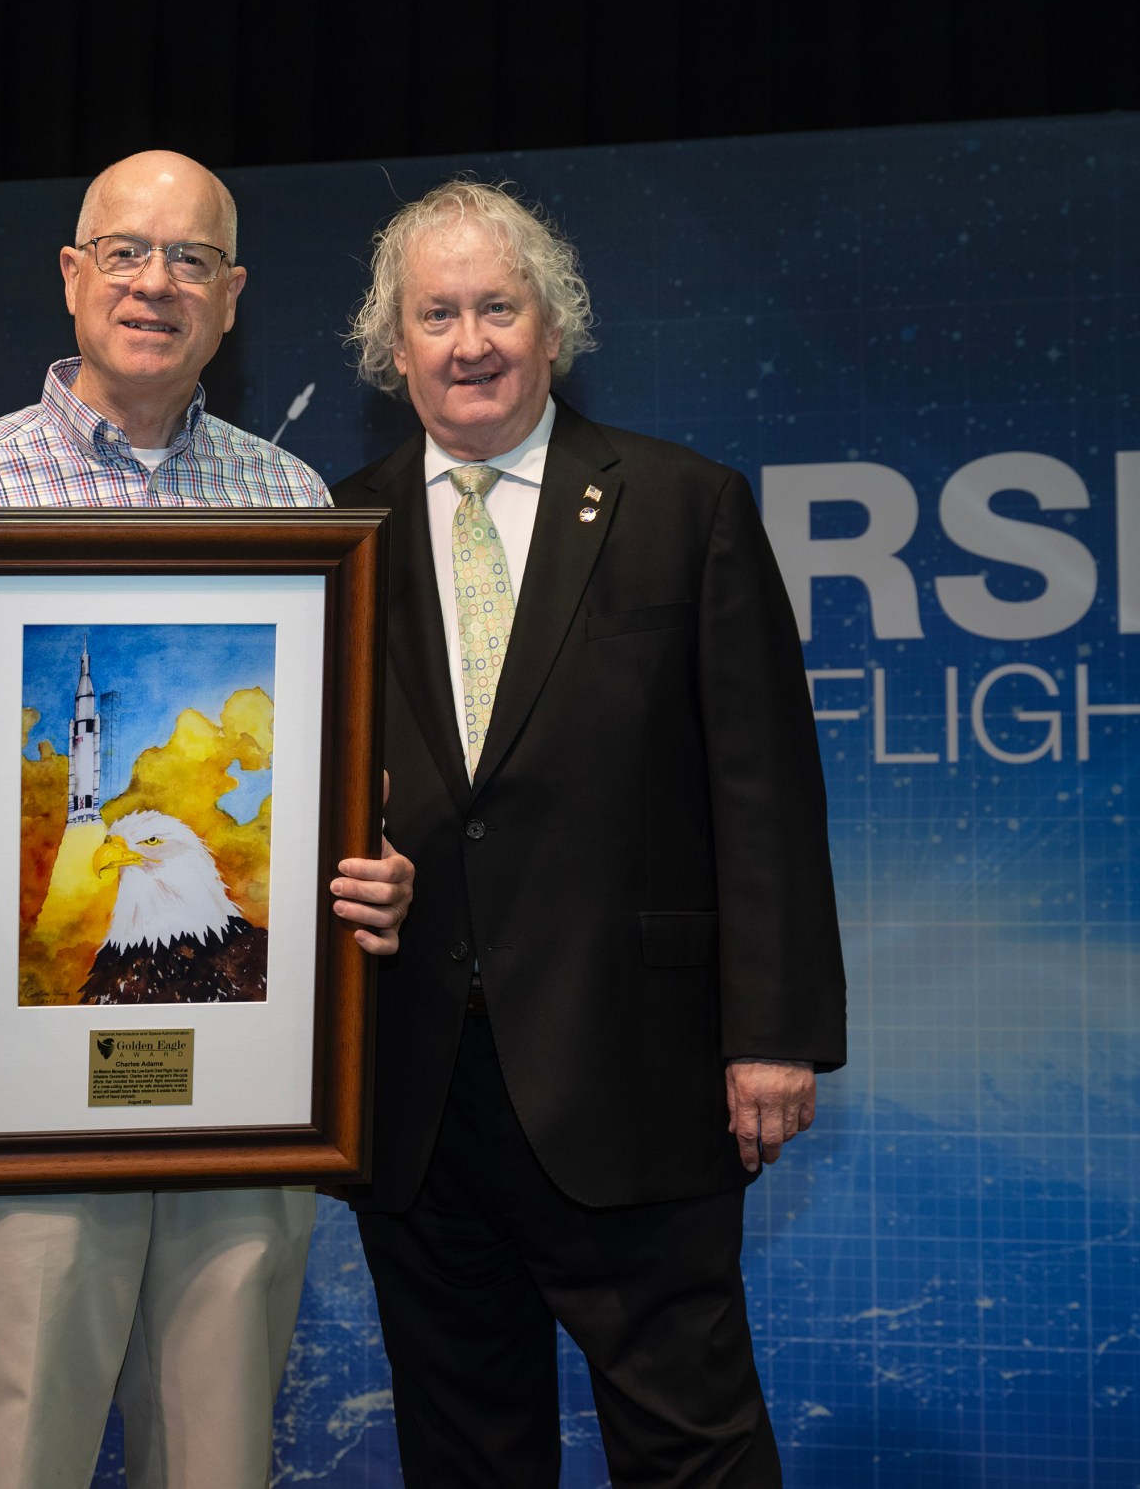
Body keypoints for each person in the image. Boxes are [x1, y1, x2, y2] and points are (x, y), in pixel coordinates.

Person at [0, 149, 414, 1489]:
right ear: (73, 275)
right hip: (22, 1094)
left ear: (234, 295)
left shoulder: (297, 504)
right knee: (16, 1459)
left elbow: (339, 780)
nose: (155, 283)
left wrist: (362, 866)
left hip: (250, 1100)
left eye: (190, 260)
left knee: (220, 1464)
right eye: (125, 253)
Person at [333, 177, 847, 1486]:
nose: (470, 342)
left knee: (692, 1445)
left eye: (497, 306)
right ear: (395, 349)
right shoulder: (335, 532)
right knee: (464, 1451)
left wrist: (773, 1033)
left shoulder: (687, 506)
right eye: (437, 314)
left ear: (552, 325)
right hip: (414, 1092)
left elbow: (765, 793)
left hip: (641, 1079)